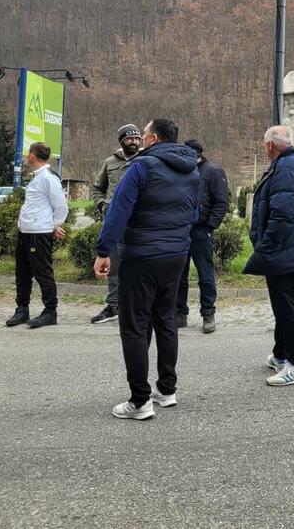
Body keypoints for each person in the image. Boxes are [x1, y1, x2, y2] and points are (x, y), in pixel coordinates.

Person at [94, 119, 198, 420]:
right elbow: (195, 212)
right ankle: (166, 390)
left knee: (135, 326)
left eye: (144, 133)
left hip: (141, 255)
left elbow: (118, 210)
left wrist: (104, 250)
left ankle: (139, 401)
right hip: (176, 254)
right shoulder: (191, 168)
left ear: (152, 138)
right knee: (166, 319)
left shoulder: (141, 167)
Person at [244, 125, 294, 387]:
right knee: (285, 305)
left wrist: (265, 247)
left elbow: (282, 215)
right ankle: (281, 355)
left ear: (270, 145)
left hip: (285, 250)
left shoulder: (285, 169)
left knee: (287, 308)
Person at [5, 142, 69, 329]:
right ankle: (22, 309)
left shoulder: (49, 178)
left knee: (43, 273)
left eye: (28, 153)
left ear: (32, 155)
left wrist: (53, 226)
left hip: (38, 234)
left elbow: (61, 206)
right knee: (22, 273)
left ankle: (50, 311)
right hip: (25, 232)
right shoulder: (36, 177)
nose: (26, 156)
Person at [88, 124, 141, 324]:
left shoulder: (145, 161)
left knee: (137, 267)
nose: (134, 142)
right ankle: (113, 305)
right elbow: (97, 188)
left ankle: (136, 306)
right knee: (113, 266)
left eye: (137, 138)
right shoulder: (109, 162)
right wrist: (103, 206)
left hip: (137, 223)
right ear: (121, 141)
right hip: (114, 223)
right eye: (130, 139)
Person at [176, 139, 229, 333]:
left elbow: (222, 202)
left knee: (205, 275)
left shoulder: (213, 171)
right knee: (179, 275)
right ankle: (180, 314)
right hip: (181, 229)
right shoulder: (180, 171)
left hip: (201, 230)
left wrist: (209, 225)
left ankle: (208, 313)